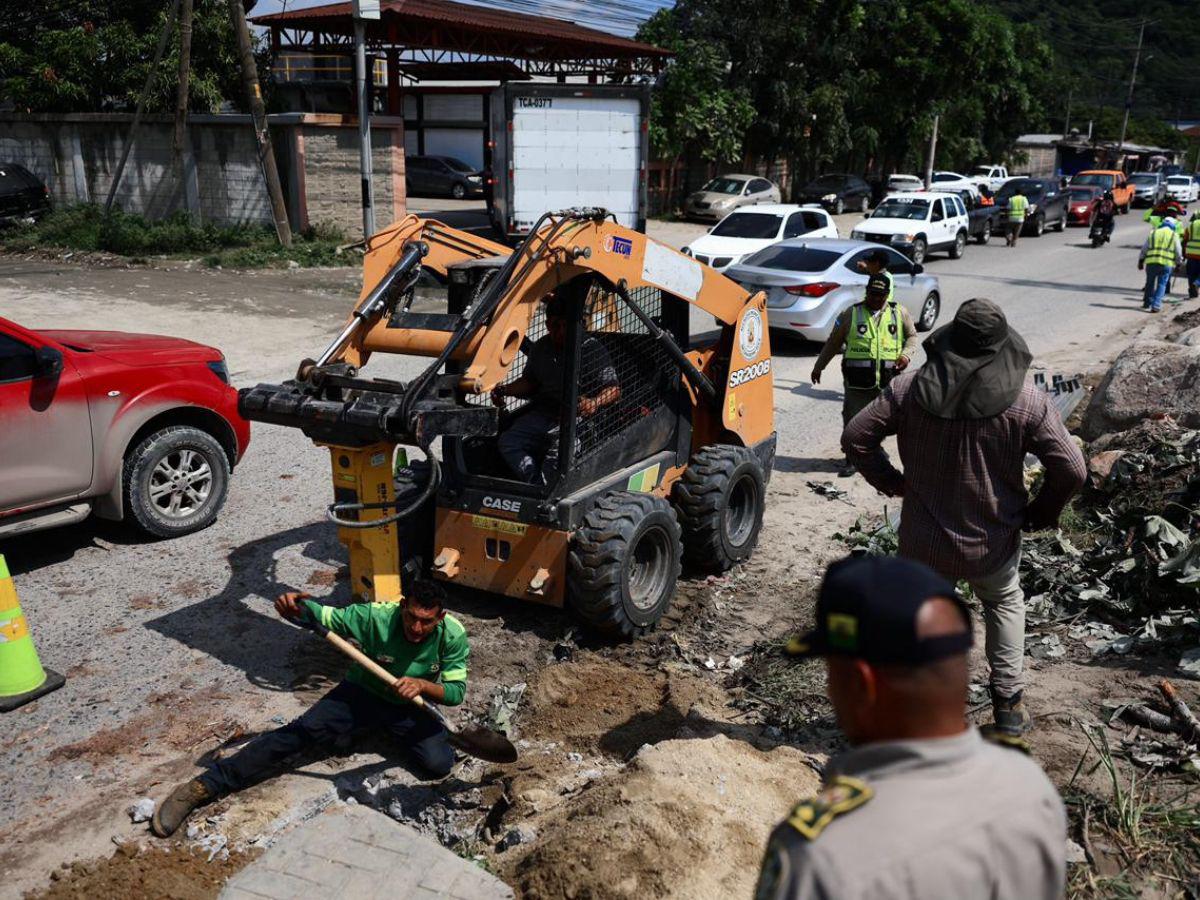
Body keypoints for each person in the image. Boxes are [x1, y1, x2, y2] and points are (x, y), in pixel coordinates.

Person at [754, 555, 1067, 900]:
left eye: (832, 672)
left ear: (861, 685)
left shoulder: (822, 858)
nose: (830, 690)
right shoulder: (1030, 787)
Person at [842, 299, 1087, 735]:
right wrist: (1040, 512)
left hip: (922, 542)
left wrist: (894, 482)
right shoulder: (1027, 402)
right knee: (1003, 601)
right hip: (991, 542)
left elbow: (856, 436)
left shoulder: (908, 389)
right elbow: (1072, 468)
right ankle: (1009, 705)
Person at [151, 582, 469, 838]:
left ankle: (375, 731)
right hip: (362, 693)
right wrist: (299, 609)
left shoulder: (452, 635)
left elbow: (455, 693)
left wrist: (423, 686)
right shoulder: (375, 617)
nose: (416, 626)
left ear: (439, 618)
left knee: (439, 764)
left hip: (410, 706)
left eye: (426, 621)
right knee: (299, 733)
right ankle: (204, 786)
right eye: (411, 616)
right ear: (402, 607)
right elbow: (325, 617)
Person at [493, 294, 621, 483]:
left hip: (579, 418)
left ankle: (548, 490)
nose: (560, 331)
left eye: (565, 325)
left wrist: (594, 402)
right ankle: (536, 484)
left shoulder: (592, 349)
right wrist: (505, 390)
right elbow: (530, 382)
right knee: (508, 441)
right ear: (546, 325)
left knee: (559, 455)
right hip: (545, 412)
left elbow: (614, 389)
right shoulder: (541, 347)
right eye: (554, 325)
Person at [811, 274, 917, 477]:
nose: (877, 299)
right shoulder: (851, 313)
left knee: (883, 422)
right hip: (857, 382)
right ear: (867, 292)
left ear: (887, 294)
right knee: (853, 422)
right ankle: (852, 460)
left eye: (881, 295)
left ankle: (875, 451)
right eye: (873, 294)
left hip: (887, 380)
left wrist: (906, 355)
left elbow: (912, 336)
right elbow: (833, 342)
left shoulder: (899, 312)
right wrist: (819, 366)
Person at [1138, 216, 1183, 313]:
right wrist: (1179, 264)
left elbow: (1144, 248)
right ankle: (1156, 305)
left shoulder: (1153, 232)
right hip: (1166, 264)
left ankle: (1147, 303)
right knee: (1162, 284)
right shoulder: (1174, 235)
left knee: (1149, 283)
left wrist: (1141, 261)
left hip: (1151, 263)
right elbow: (1178, 251)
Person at [1183, 210, 1200, 300]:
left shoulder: (1191, 225)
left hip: (1191, 253)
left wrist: (1184, 253)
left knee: (1191, 274)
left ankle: (1192, 293)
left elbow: (1185, 240)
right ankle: (1196, 284)